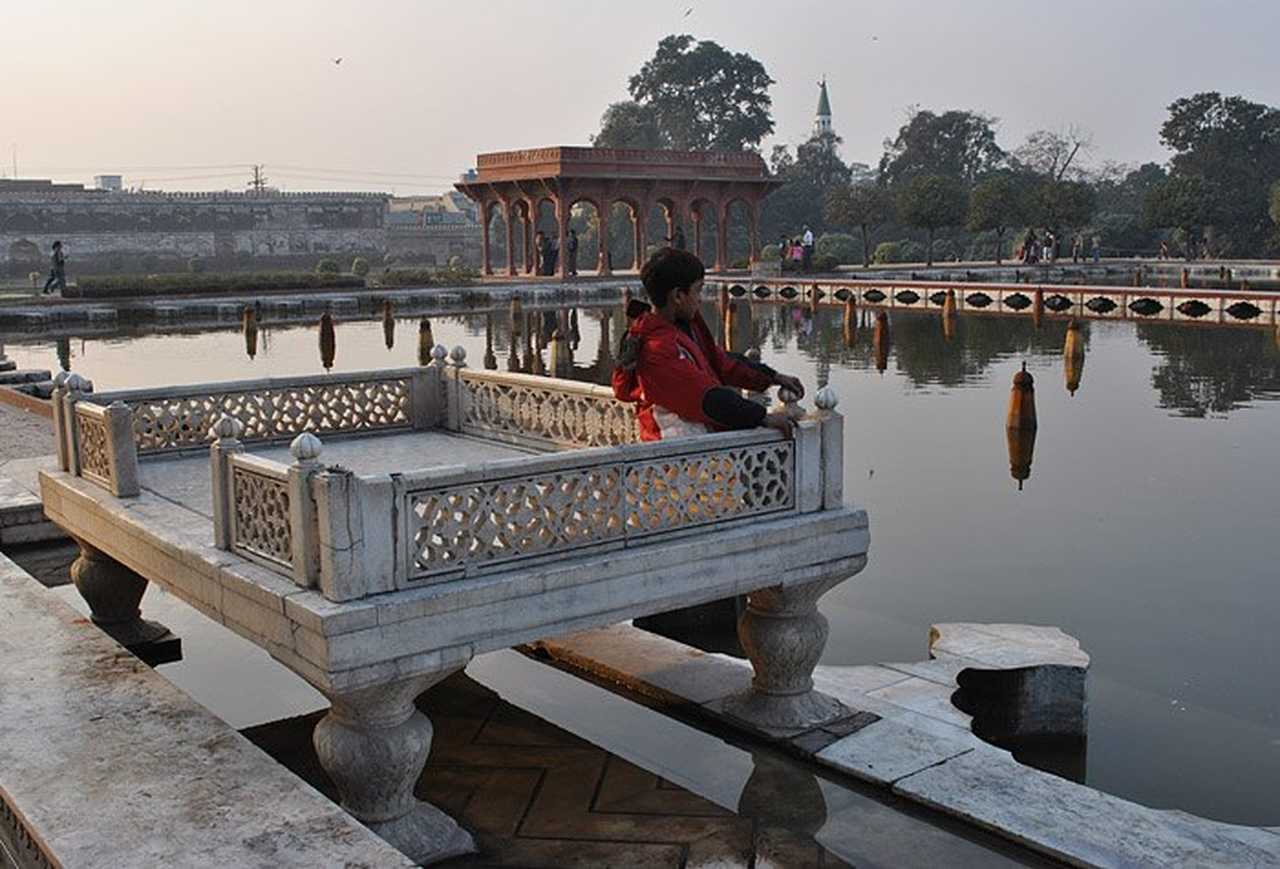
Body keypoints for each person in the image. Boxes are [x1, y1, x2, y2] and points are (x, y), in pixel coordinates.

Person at [612, 248, 804, 441]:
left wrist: (773, 376)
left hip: (699, 443)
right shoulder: (657, 347)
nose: (700, 298)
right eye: (698, 290)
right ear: (678, 296)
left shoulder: (684, 326)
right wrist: (761, 417)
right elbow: (705, 397)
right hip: (673, 453)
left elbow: (719, 361)